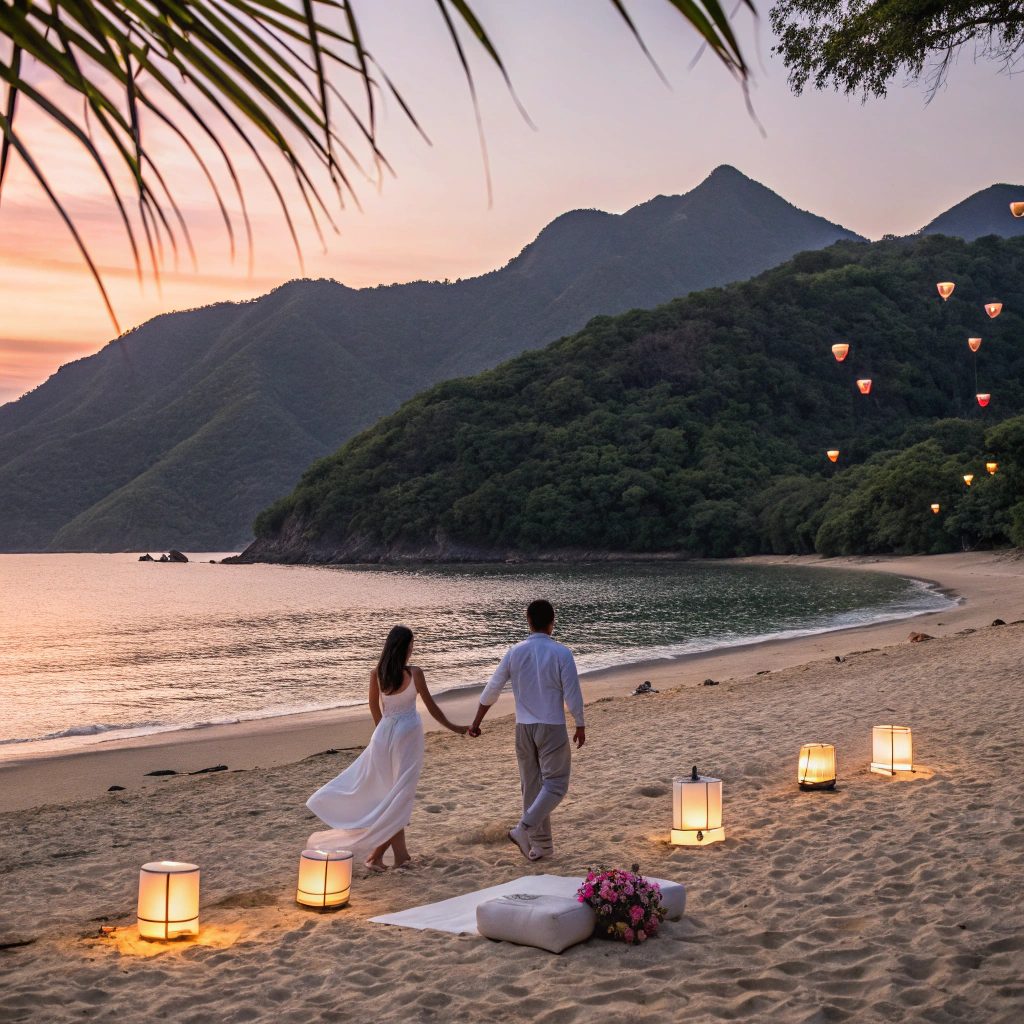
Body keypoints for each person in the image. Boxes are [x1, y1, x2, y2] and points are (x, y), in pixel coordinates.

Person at [306, 625, 468, 871]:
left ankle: (392, 856)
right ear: (406, 647)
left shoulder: (377, 673)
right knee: (399, 797)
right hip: (408, 735)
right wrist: (456, 728)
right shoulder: (414, 673)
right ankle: (382, 856)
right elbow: (432, 707)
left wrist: (380, 736)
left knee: (392, 796)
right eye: (412, 644)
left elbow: (374, 707)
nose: (413, 648)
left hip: (383, 734)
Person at [469, 599, 585, 861]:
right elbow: (572, 693)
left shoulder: (514, 652)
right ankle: (523, 829)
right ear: (552, 622)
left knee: (531, 787)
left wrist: (477, 722)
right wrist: (579, 723)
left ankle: (541, 847)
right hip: (552, 727)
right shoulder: (561, 653)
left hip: (523, 728)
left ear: (528, 621)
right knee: (556, 785)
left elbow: (492, 689)